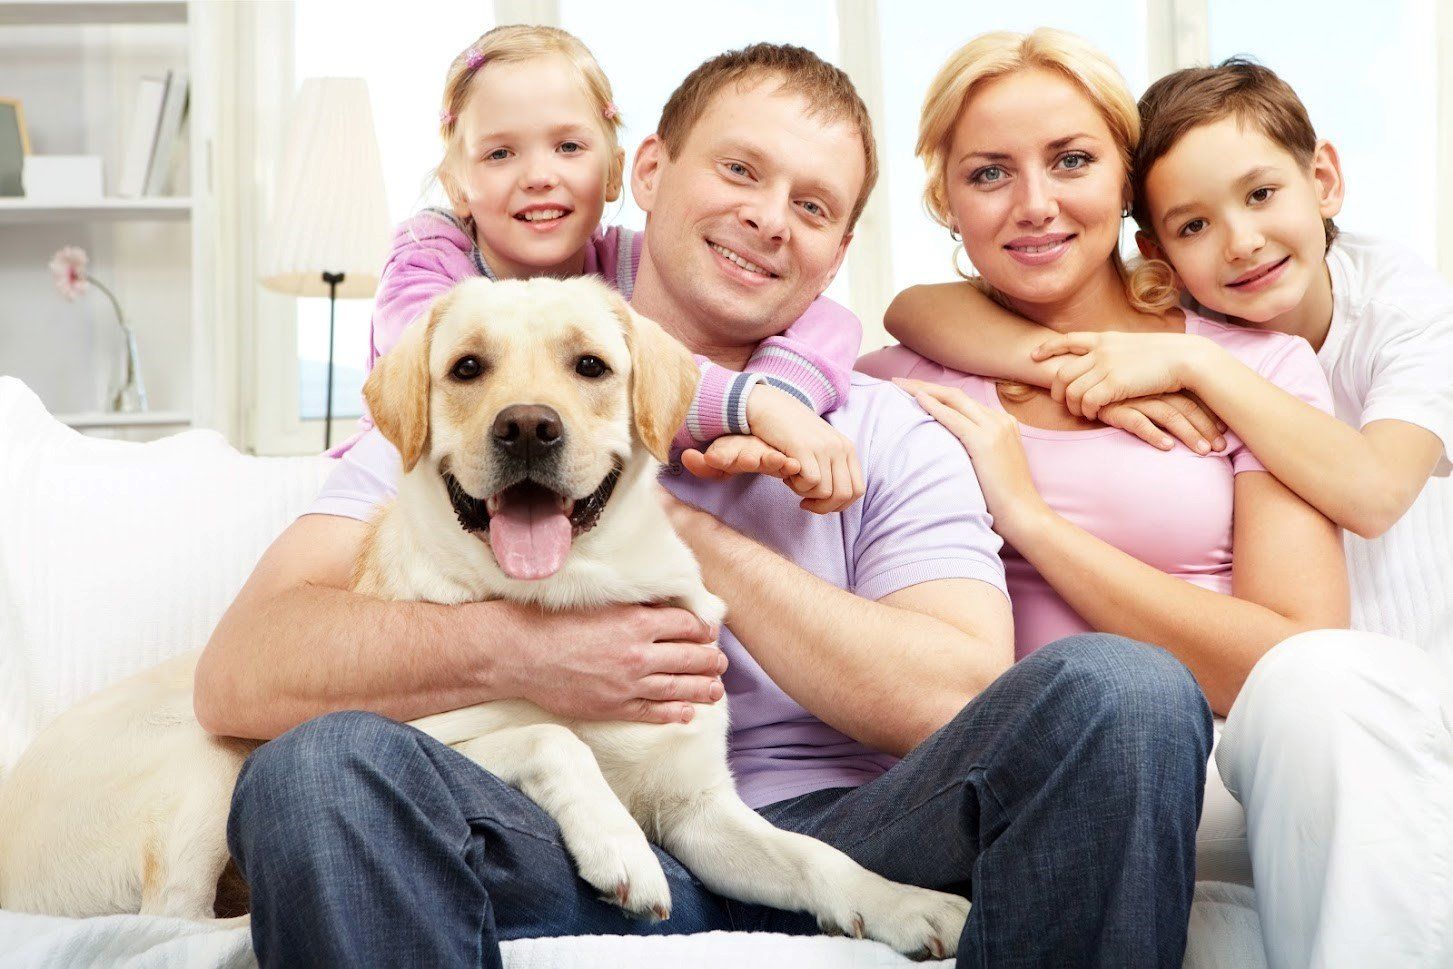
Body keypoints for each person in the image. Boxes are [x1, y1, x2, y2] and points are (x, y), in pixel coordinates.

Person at [199, 42, 1213, 969]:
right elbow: (241, 674)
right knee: (317, 771)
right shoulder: (478, 412)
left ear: (839, 248)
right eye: (738, 171)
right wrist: (522, 652)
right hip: (543, 837)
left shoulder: (888, 426)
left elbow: (948, 698)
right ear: (646, 173)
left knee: (1125, 694)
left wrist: (673, 528)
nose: (769, 217)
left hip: (852, 827)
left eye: (812, 207)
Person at [876, 43, 1453, 969]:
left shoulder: (1253, 364)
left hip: (1223, 756)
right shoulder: (898, 374)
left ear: (1118, 185)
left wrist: (1031, 519)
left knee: (1329, 683)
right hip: (1010, 771)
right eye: (988, 173)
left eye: (1071, 160)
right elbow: (899, 313)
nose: (1034, 203)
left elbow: (1296, 651)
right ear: (946, 199)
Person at [335, 23, 865, 514]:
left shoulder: (624, 261)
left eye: (568, 146)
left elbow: (832, 323)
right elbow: (434, 364)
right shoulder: (426, 258)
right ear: (457, 188)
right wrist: (748, 404)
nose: (539, 174)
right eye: (499, 153)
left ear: (615, 172)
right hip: (406, 499)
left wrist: (780, 395)